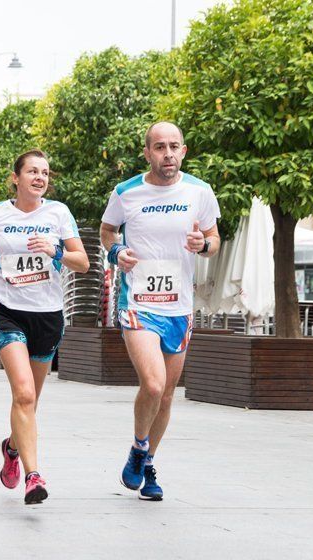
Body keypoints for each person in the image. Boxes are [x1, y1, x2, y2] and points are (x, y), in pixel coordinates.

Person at [100, 122, 220, 501]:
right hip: (138, 303)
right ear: (147, 153)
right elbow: (107, 231)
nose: (167, 153)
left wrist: (203, 244)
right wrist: (117, 252)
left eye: (174, 146)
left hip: (179, 306)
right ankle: (139, 446)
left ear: (184, 151)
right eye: (159, 147)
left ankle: (146, 459)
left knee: (167, 395)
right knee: (152, 384)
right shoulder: (126, 192)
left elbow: (215, 240)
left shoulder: (200, 192)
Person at [0, 149, 89, 504]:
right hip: (8, 313)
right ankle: (34, 477)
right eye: (32, 171)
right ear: (16, 177)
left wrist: (56, 251)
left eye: (45, 173)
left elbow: (81, 262)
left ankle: (12, 448)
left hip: (48, 317)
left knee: (30, 402)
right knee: (23, 394)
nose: (40, 178)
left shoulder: (59, 213)